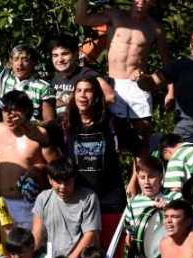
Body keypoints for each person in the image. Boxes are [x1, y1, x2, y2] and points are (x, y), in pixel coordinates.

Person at [75, 0, 167, 152]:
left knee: (143, 135)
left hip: (138, 84)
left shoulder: (155, 28)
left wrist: (169, 91)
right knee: (114, 134)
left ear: (151, 3)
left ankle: (141, 167)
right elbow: (81, 19)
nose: (140, 2)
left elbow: (167, 64)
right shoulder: (115, 16)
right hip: (114, 84)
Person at [0, 91, 62, 229]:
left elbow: (57, 166)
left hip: (30, 204)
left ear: (26, 112)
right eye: (5, 110)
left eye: (14, 110)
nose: (9, 115)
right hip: (2, 203)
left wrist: (38, 168)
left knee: (33, 241)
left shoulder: (39, 135)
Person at [63, 77, 126, 234]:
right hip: (78, 202)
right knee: (84, 248)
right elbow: (42, 138)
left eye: (88, 91)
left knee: (112, 248)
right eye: (79, 91)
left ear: (97, 96)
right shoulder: (65, 124)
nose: (82, 95)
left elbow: (139, 150)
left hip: (110, 201)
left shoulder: (113, 123)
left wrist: (133, 182)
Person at [0, 8, 55, 123]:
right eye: (16, 59)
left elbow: (50, 121)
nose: (19, 64)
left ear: (34, 63)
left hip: (30, 130)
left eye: (25, 60)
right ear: (10, 62)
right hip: (7, 129)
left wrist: (27, 127)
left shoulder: (44, 87)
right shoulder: (3, 78)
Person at [31, 158, 102, 258]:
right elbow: (37, 234)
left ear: (74, 179)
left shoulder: (89, 198)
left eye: (67, 182)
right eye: (58, 182)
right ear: (50, 179)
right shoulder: (43, 198)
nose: (63, 187)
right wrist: (26, 252)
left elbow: (90, 234)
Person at [48, 34, 114, 119]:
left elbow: (110, 96)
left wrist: (87, 112)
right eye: (55, 55)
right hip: (61, 124)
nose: (60, 59)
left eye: (65, 54)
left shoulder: (87, 74)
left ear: (76, 54)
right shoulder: (55, 78)